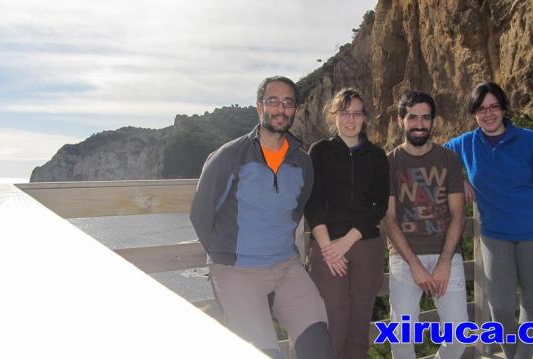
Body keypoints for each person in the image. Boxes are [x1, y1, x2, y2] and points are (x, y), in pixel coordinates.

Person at [189, 76, 333, 359]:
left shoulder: (302, 162)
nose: (281, 108)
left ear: (294, 110)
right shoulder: (229, 156)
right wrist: (227, 257)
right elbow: (200, 214)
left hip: (286, 267)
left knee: (318, 346)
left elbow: (295, 212)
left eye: (288, 102)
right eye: (273, 101)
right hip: (237, 272)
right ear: (259, 107)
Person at [445, 81, 533, 359]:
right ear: (473, 112)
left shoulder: (530, 141)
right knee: (499, 307)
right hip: (494, 235)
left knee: (532, 303)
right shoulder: (466, 143)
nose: (488, 114)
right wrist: (460, 177)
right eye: (481, 108)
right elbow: (437, 157)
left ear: (504, 109)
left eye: (494, 107)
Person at [304, 88, 389, 359]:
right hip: (327, 248)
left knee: (359, 323)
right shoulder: (320, 152)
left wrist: (347, 241)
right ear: (334, 116)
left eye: (356, 113)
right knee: (334, 322)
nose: (350, 120)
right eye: (344, 113)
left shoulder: (376, 155)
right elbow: (312, 202)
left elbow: (379, 205)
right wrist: (329, 248)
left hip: (365, 245)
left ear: (365, 118)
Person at [384, 91, 468, 359]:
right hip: (405, 258)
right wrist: (415, 265)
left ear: (433, 121)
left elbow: (458, 213)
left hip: (446, 255)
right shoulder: (389, 163)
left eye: (425, 118)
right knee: (401, 338)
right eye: (412, 118)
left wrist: (445, 260)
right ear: (401, 120)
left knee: (458, 337)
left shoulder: (448, 159)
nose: (419, 124)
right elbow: (389, 218)